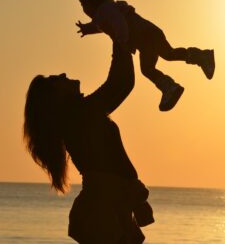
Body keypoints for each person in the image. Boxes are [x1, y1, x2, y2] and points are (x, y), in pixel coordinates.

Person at [24, 41, 153, 244]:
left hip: (109, 205)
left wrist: (120, 39)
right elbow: (120, 84)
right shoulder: (79, 115)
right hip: (103, 209)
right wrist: (119, 37)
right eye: (57, 79)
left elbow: (120, 83)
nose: (64, 75)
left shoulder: (79, 115)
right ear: (55, 98)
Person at [76, 0, 215, 111]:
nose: (83, 9)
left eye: (83, 5)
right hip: (148, 35)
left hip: (146, 36)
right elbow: (101, 25)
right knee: (167, 55)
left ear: (90, 2)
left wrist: (122, 41)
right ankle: (199, 58)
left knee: (151, 66)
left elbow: (118, 23)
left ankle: (171, 86)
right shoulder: (106, 11)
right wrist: (87, 29)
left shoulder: (105, 10)